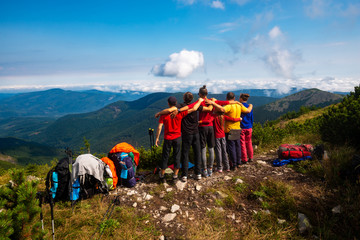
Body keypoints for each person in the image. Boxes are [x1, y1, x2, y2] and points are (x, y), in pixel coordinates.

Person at [155, 92, 210, 181]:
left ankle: (180, 175)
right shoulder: (188, 109)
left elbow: (167, 114)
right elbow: (206, 109)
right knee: (195, 153)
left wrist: (159, 113)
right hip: (191, 133)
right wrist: (209, 102)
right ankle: (195, 173)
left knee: (179, 155)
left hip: (181, 135)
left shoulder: (178, 109)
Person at [205, 92, 253, 170]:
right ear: (234, 98)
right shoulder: (239, 105)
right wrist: (251, 105)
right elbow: (247, 111)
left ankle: (233, 165)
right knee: (238, 146)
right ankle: (238, 162)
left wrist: (213, 103)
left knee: (231, 148)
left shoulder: (229, 106)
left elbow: (222, 109)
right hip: (238, 128)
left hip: (230, 130)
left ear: (227, 98)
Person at [240, 93, 254, 163]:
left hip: (242, 127)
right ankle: (251, 157)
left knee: (242, 143)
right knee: (249, 142)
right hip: (249, 127)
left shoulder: (240, 107)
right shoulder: (249, 107)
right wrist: (251, 126)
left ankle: (244, 159)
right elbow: (252, 118)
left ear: (241, 99)